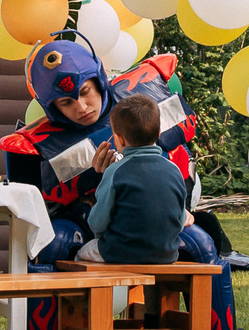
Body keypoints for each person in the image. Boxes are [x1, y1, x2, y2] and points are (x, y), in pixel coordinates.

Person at [0, 35, 249, 330]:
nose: (82, 107)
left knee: (201, 245)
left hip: (149, 220)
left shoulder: (139, 103)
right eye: (67, 102)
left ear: (98, 80)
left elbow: (176, 169)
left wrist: (177, 206)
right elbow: (32, 203)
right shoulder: (37, 143)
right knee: (51, 244)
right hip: (82, 219)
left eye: (86, 92)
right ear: (52, 106)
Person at [81, 94, 192, 265]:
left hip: (118, 251)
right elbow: (179, 218)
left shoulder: (115, 171)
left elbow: (97, 223)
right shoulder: (174, 170)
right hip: (167, 254)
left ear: (119, 139)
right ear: (159, 133)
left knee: (80, 255)